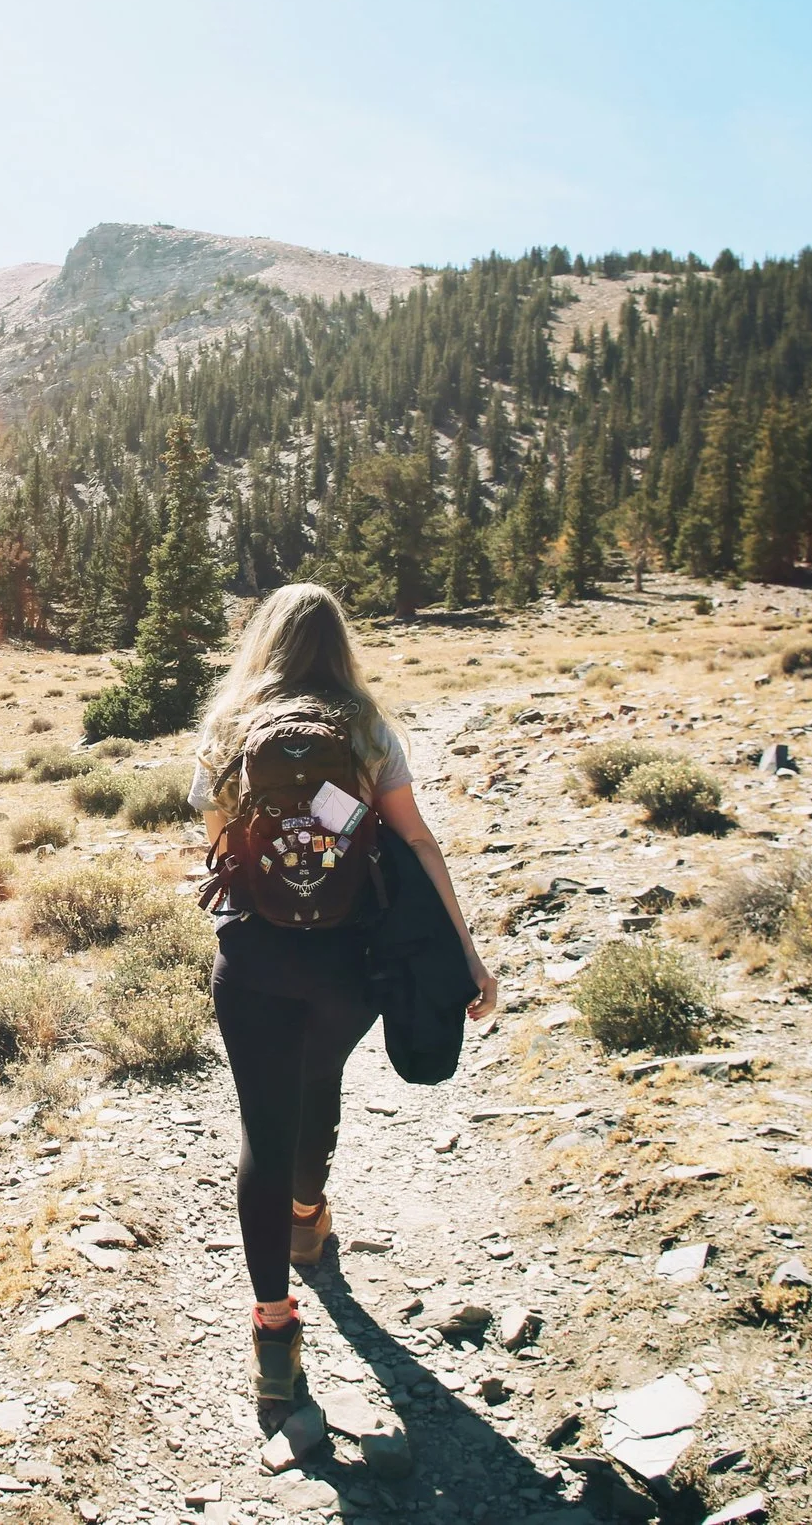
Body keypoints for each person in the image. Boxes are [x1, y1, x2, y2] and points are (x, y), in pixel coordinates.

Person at [188, 583, 498, 1421]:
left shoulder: (228, 729)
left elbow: (213, 839)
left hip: (251, 955)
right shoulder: (365, 730)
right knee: (319, 1077)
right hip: (347, 960)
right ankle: (306, 1213)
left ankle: (274, 1332)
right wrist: (467, 953)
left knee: (262, 1124)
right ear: (339, 647)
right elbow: (417, 839)